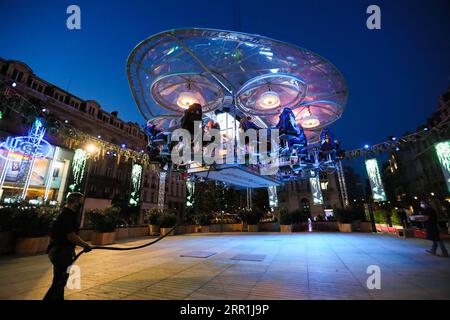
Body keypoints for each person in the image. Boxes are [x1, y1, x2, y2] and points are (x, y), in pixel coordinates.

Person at [43, 192, 92, 300]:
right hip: (62, 252)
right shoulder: (68, 216)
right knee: (60, 282)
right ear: (75, 202)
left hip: (58, 250)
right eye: (80, 203)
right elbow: (71, 236)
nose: (81, 205)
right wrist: (85, 245)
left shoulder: (64, 214)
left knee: (59, 280)